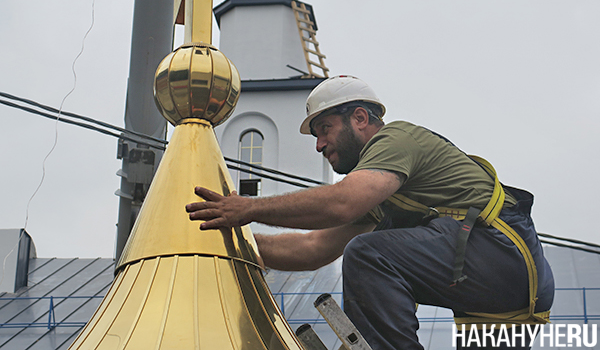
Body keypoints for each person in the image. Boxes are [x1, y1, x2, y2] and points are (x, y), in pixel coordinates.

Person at [186, 75, 554, 350]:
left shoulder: (395, 140)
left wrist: (246, 209)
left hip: (499, 253)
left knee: (368, 252)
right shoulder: (383, 193)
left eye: (325, 129)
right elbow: (314, 247)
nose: (319, 145)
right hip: (502, 296)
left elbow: (341, 203)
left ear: (360, 118)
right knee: (369, 248)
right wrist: (235, 244)